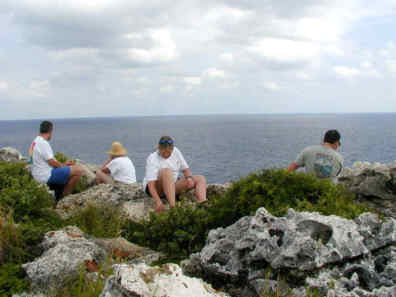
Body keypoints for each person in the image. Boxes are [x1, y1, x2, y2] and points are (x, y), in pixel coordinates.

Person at [143, 136, 207, 212]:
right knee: (167, 171)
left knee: (200, 178)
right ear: (159, 148)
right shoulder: (152, 158)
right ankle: (173, 208)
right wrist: (158, 202)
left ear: (172, 149)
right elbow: (151, 185)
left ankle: (202, 203)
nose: (166, 154)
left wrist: (189, 178)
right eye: (164, 152)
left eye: (169, 152)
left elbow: (185, 169)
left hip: (171, 186)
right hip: (157, 189)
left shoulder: (176, 151)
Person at [30, 120, 83, 198]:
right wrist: (64, 166)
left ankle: (59, 193)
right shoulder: (43, 143)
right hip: (45, 176)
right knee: (78, 170)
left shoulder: (34, 142)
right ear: (50, 131)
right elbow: (52, 162)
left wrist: (65, 165)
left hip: (37, 174)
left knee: (69, 169)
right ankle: (65, 198)